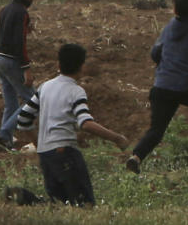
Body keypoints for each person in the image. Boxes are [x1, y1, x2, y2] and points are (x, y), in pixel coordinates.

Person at [15, 43, 129, 207]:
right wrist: (117, 138)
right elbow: (86, 123)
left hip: (46, 156)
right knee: (84, 205)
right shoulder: (76, 91)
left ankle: (27, 199)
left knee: (60, 205)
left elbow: (23, 119)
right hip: (65, 152)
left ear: (58, 65)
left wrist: (39, 144)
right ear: (82, 67)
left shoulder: (45, 87)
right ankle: (27, 199)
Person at [126, 0, 188, 174]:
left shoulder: (169, 27)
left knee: (156, 130)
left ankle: (135, 157)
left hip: (162, 87)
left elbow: (155, 53)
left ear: (174, 10)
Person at [0, 0, 37, 151]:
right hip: (12, 61)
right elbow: (19, 43)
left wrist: (26, 27)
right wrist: (26, 69)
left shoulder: (6, 9)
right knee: (34, 100)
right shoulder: (22, 13)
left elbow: (5, 35)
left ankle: (6, 141)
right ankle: (3, 134)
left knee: (11, 104)